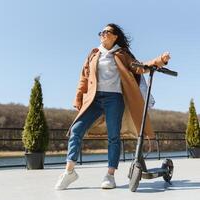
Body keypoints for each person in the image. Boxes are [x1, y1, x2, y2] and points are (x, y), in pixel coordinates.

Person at [55, 23, 171, 190]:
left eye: (106, 32)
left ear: (115, 36)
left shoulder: (122, 54)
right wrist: (78, 97)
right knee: (76, 130)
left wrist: (160, 60)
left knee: (114, 137)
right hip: (93, 99)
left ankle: (110, 175)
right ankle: (69, 172)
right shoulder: (93, 54)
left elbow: (141, 68)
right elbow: (84, 77)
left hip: (114, 99)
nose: (102, 34)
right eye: (101, 32)